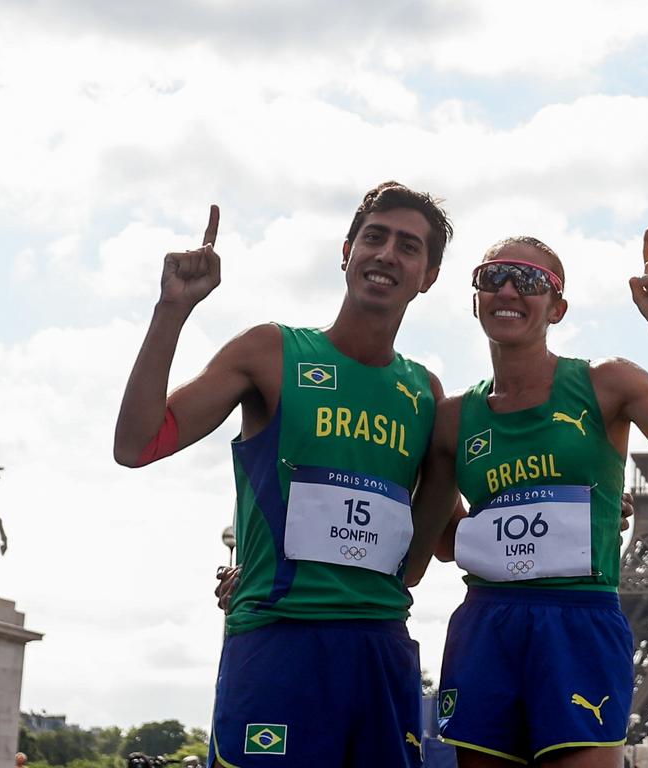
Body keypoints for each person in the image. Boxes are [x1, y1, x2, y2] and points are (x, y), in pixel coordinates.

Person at [113, 182, 456, 768]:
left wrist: (587, 515)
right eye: (374, 238)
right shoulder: (271, 352)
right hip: (278, 643)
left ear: (427, 277)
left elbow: (443, 540)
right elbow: (138, 444)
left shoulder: (424, 392)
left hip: (379, 647)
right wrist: (172, 309)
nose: (386, 255)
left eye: (408, 247)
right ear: (346, 251)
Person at [404, 229, 648, 768]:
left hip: (578, 622)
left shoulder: (608, 384)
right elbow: (433, 547)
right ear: (476, 301)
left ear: (557, 307)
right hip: (487, 625)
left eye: (531, 280)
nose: (510, 290)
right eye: (494, 278)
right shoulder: (451, 419)